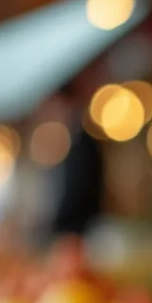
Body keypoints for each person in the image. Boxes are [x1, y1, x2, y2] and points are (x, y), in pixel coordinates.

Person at [44, 84, 105, 239]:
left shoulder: (82, 143)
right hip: (78, 229)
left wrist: (53, 225)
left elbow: (77, 190)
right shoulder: (73, 141)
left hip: (79, 232)